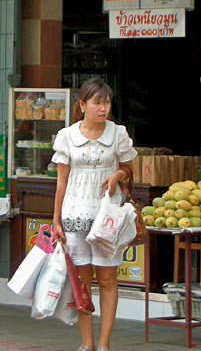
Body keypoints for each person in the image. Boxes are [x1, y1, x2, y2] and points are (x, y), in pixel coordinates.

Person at [51, 77, 136, 351]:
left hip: (107, 215)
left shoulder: (118, 134)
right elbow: (61, 181)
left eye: (107, 102)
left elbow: (130, 169)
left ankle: (104, 343)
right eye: (97, 102)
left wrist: (118, 174)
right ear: (82, 104)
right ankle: (87, 344)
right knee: (82, 283)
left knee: (109, 279)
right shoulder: (67, 136)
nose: (104, 108)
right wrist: (55, 220)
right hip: (75, 213)